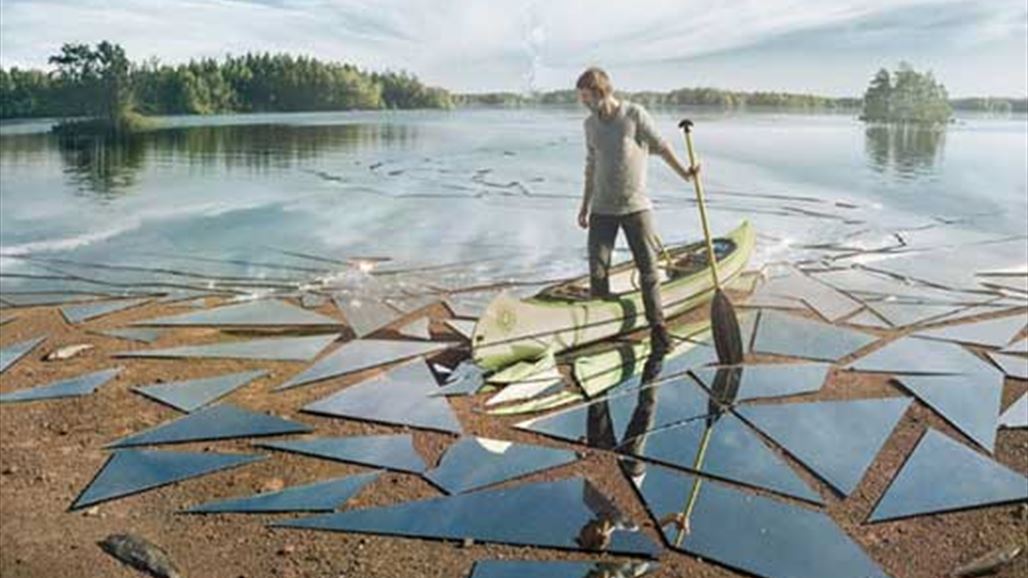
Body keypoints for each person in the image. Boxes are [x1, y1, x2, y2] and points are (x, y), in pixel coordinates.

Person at [576, 67, 699, 354]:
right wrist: (584, 206)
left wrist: (685, 173)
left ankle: (659, 329)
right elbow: (591, 166)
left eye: (585, 97)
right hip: (602, 210)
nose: (582, 102)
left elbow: (661, 146)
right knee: (597, 270)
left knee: (648, 271)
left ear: (599, 92)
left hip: (636, 207)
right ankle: (601, 330)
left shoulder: (634, 115)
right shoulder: (589, 126)